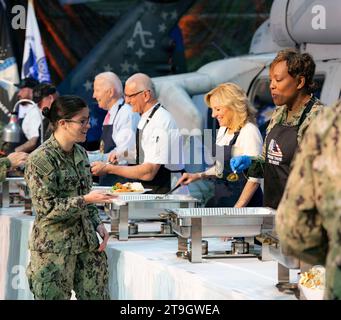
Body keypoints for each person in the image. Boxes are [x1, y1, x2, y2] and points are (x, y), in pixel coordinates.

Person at [24, 95, 116, 300]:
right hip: (54, 250)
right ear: (63, 123)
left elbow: (85, 192)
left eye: (88, 119)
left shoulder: (80, 154)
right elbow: (46, 210)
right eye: (82, 121)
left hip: (86, 244)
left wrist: (97, 222)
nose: (88, 125)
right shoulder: (40, 159)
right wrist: (87, 201)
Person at [230, 49, 324, 209]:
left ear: (300, 82)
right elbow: (268, 161)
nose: (272, 86)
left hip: (299, 220)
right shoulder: (279, 112)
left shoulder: (318, 118)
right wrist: (250, 162)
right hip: (272, 214)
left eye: (278, 80)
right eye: (271, 79)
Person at [276, 101, 341, 300]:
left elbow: (295, 228)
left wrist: (330, 257)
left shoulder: (328, 121)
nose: (273, 86)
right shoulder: (278, 116)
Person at [91, 73, 185, 194]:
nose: (127, 101)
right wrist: (122, 154)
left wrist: (109, 168)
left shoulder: (161, 121)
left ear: (146, 95)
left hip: (168, 193)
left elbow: (149, 172)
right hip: (154, 190)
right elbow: (143, 151)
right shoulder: (146, 117)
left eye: (130, 96)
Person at [177, 83, 263, 207]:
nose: (213, 115)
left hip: (244, 208)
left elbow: (254, 180)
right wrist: (197, 176)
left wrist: (237, 209)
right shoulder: (223, 130)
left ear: (233, 107)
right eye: (212, 109)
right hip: (223, 201)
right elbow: (221, 168)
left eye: (217, 109)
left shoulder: (249, 131)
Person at [91, 72, 140, 185]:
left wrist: (93, 160)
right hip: (110, 181)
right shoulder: (111, 114)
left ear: (110, 92)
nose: (94, 95)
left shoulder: (126, 113)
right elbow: (109, 149)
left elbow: (125, 154)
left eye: (97, 90)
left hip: (122, 183)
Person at [15, 83, 58, 153]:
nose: (39, 105)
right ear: (51, 98)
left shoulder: (38, 111)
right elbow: (33, 142)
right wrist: (11, 155)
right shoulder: (37, 115)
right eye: (58, 99)